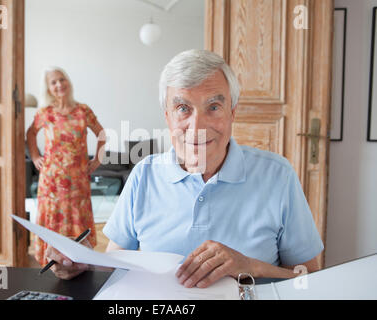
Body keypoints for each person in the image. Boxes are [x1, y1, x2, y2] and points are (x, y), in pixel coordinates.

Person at [45, 50, 324, 288]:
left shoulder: (278, 176)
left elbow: (309, 279)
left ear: (232, 112)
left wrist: (250, 266)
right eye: (182, 108)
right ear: (167, 116)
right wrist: (81, 263)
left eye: (214, 106)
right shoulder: (144, 176)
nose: (198, 126)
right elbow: (115, 266)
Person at [27, 66, 106, 266]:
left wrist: (97, 160)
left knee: (76, 220)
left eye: (62, 79)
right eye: (53, 82)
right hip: (51, 182)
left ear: (68, 81)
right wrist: (35, 156)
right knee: (52, 220)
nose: (59, 84)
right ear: (48, 88)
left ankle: (79, 261)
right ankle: (50, 262)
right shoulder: (45, 112)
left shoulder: (83, 111)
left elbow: (102, 134)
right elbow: (30, 134)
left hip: (77, 180)